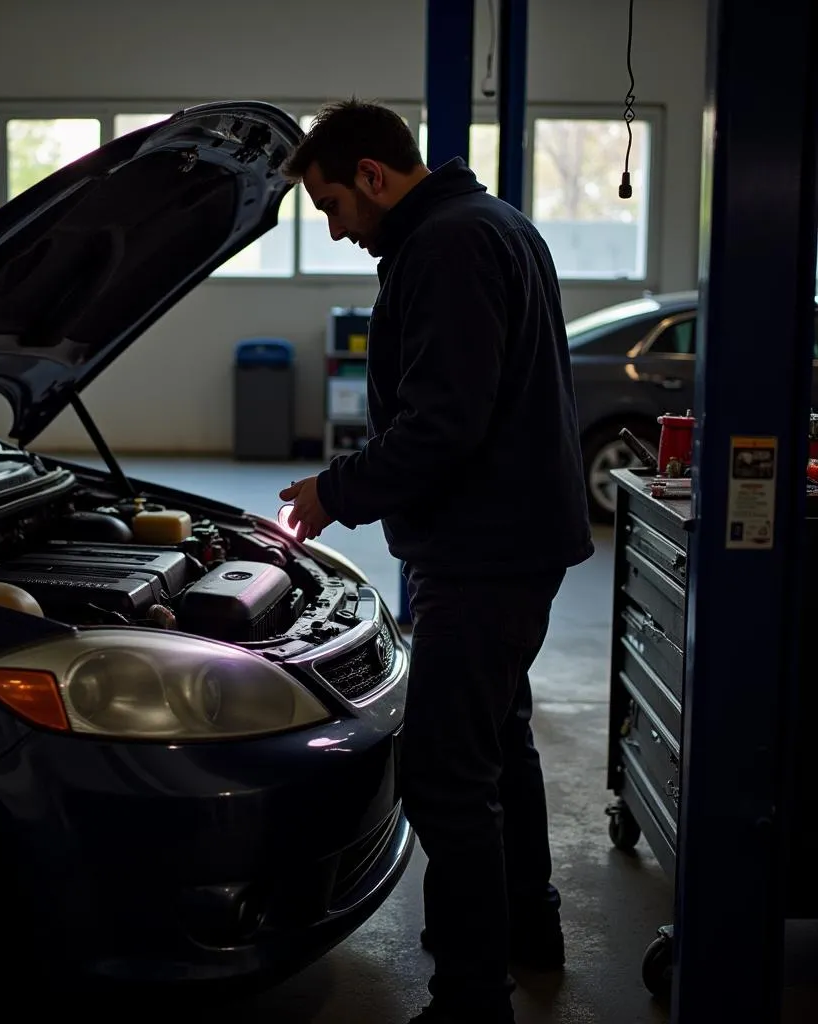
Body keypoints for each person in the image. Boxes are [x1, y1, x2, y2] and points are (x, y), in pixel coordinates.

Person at [278, 100, 594, 1024]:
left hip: (483, 552)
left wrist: (336, 492)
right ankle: (524, 925)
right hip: (510, 541)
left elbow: (444, 423)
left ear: (374, 175)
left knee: (447, 776)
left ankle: (470, 997)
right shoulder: (489, 223)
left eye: (334, 204)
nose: (337, 229)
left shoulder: (448, 245)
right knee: (501, 741)